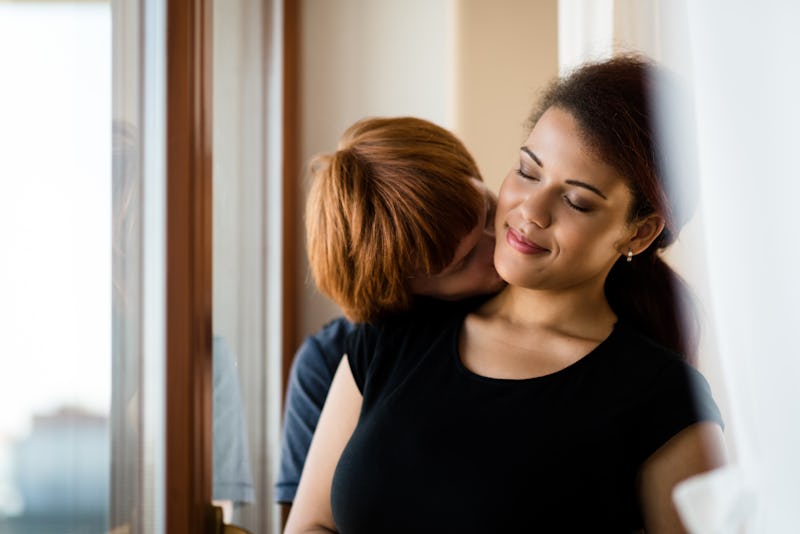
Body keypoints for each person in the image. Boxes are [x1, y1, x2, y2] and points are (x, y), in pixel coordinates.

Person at [285, 55, 727, 533]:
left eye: (576, 200)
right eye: (527, 170)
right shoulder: (389, 340)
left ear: (638, 234)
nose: (530, 211)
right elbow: (312, 524)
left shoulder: (663, 399)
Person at [275, 117, 507, 523]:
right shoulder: (330, 363)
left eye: (487, 209)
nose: (500, 244)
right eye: (464, 261)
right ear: (399, 293)